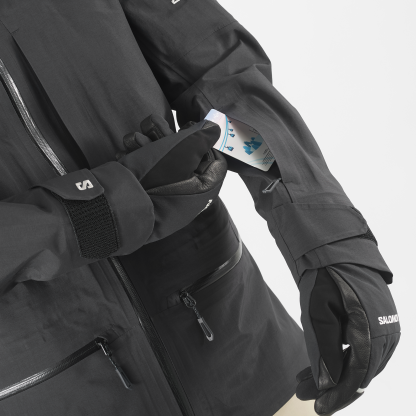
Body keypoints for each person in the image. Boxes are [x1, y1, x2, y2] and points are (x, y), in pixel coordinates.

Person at [0, 1, 400, 415]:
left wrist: (329, 240)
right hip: (48, 390)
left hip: (250, 351)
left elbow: (213, 71)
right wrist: (105, 211)